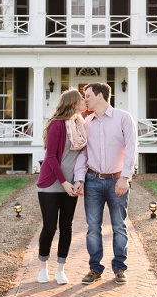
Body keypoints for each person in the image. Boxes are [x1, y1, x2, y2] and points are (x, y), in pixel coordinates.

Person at [73, 82, 137, 285]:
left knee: (119, 226)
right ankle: (95, 269)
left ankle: (120, 268)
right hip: (93, 181)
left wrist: (124, 178)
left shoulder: (123, 118)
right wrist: (80, 178)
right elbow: (83, 153)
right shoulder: (87, 123)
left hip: (117, 180)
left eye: (88, 95)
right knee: (93, 227)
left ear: (100, 96)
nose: (85, 100)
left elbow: (131, 149)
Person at [36, 89, 88, 284]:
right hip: (51, 184)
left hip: (71, 185)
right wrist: (64, 182)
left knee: (66, 226)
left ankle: (60, 270)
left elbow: (83, 157)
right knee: (49, 227)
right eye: (82, 99)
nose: (85, 101)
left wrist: (77, 181)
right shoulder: (57, 126)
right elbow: (50, 158)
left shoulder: (81, 126)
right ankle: (42, 267)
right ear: (74, 103)